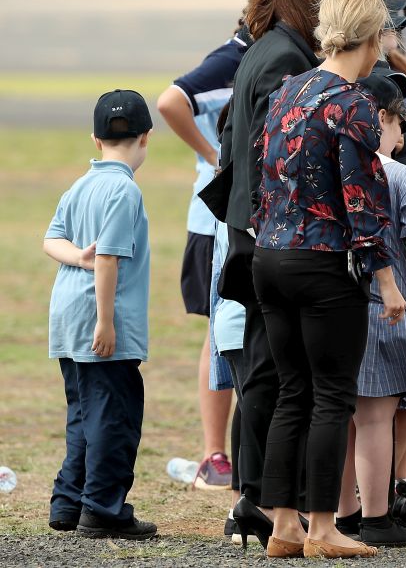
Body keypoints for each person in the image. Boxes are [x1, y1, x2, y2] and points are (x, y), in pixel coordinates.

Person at [249, 0, 401, 560]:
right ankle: (322, 527)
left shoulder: (289, 90)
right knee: (332, 395)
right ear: (371, 35)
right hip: (322, 262)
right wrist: (386, 280)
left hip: (272, 254)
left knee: (293, 392)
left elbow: (268, 176)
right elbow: (362, 200)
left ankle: (283, 524)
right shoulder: (354, 103)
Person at [216, 0, 343, 530]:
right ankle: (261, 497)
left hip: (254, 229)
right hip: (277, 232)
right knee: (277, 371)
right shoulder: (286, 60)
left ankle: (257, 496)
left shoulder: (264, 49)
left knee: (269, 368)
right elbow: (281, 152)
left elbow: (228, 137)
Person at [336, 71, 406, 547]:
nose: (402, 136)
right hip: (385, 309)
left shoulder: (328, 169)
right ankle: (376, 518)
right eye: (400, 124)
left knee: (337, 418)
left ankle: (342, 513)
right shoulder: (401, 177)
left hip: (332, 308)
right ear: (381, 119)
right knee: (375, 418)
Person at [43, 89, 156, 540]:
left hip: (67, 320)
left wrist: (77, 258)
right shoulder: (123, 190)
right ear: (146, 137)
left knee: (83, 413)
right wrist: (105, 321)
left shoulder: (81, 185)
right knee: (115, 416)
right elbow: (108, 258)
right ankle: (103, 509)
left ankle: (68, 502)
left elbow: (51, 241)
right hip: (101, 323)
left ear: (95, 139)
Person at [156, 25, 252, 492]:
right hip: (213, 218)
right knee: (221, 329)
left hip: (237, 213)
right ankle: (215, 455)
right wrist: (215, 155)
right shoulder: (233, 58)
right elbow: (171, 100)